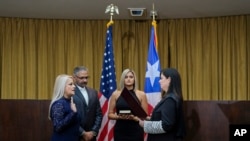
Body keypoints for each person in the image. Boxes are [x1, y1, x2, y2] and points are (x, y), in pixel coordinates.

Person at [138, 68, 186, 141]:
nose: (159, 81)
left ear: (169, 79)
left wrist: (145, 125)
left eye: (161, 78)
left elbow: (166, 125)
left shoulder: (170, 100)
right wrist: (151, 118)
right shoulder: (170, 98)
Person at [108, 69, 148, 141]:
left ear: (134, 79)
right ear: (123, 79)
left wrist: (134, 117)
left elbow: (144, 116)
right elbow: (110, 114)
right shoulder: (116, 94)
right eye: (126, 77)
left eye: (131, 77)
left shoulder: (141, 94)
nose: (128, 79)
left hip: (136, 129)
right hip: (120, 130)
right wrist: (119, 117)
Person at [72, 66, 103, 141]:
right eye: (81, 78)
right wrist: (83, 133)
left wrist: (93, 132)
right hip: (75, 135)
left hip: (92, 136)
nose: (85, 80)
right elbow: (70, 116)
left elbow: (99, 114)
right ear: (74, 78)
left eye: (86, 77)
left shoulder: (93, 92)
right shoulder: (70, 92)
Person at [48, 74, 80, 141]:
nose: (74, 86)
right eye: (70, 84)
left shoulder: (70, 102)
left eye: (73, 84)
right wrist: (73, 113)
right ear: (62, 87)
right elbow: (58, 127)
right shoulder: (59, 104)